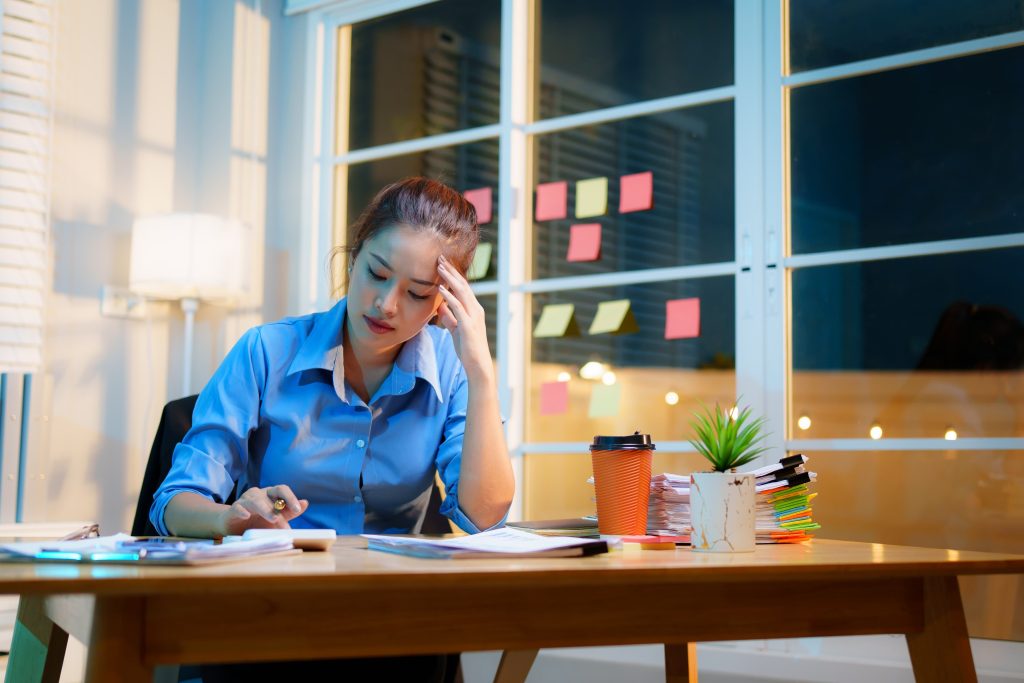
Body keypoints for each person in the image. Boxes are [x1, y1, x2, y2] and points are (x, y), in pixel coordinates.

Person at [149, 176, 514, 681]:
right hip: (268, 621)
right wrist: (230, 517)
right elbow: (173, 501)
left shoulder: (450, 374)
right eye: (377, 274)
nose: (386, 304)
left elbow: (484, 516)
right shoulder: (265, 353)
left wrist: (481, 371)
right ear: (352, 258)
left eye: (416, 293)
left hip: (395, 635)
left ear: (443, 304)